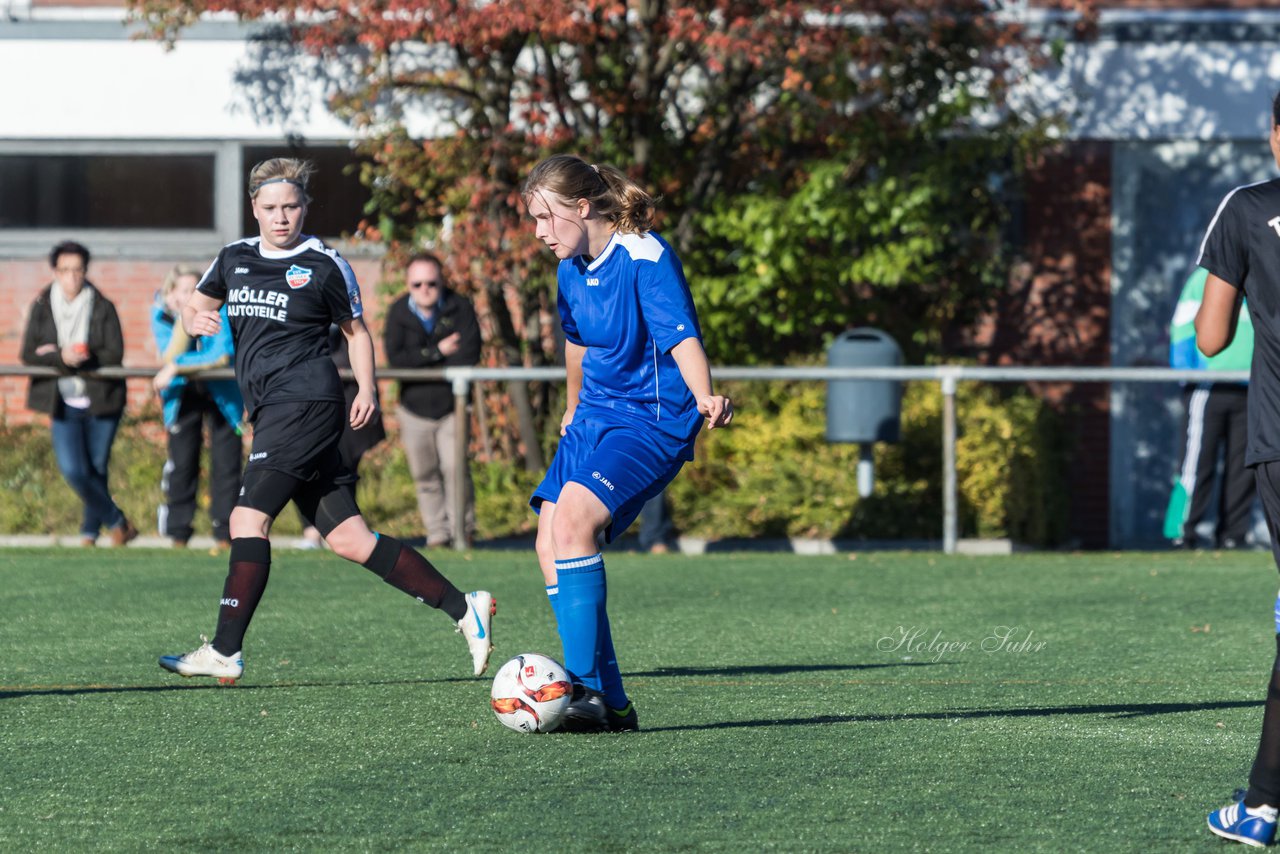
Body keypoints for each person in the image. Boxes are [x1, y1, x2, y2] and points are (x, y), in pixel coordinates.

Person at [158, 157, 494, 684]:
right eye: (270, 207)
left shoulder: (323, 263)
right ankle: (463, 606)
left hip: (307, 403)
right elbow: (194, 309)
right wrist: (196, 319)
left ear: (305, 207)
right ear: (254, 209)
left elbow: (356, 332)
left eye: (291, 206)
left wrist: (368, 388)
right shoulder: (233, 258)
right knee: (350, 539)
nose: (281, 216)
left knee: (247, 520)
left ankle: (225, 650)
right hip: (271, 411)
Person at [521, 154, 733, 732]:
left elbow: (682, 334)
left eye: (545, 217)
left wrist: (707, 395)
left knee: (573, 524)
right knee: (548, 542)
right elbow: (577, 344)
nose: (538, 233)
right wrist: (570, 407)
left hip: (651, 420)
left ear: (581, 208)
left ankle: (584, 691)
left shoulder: (646, 256)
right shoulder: (569, 266)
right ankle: (611, 703)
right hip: (594, 416)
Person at [1198, 90, 1280, 847]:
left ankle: (1261, 804)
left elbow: (1212, 337)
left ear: (1275, 134)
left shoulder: (1249, 208)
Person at [20, 240, 137, 548]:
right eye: (65, 270)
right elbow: (29, 353)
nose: (71, 276)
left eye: (77, 270)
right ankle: (118, 522)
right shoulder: (42, 305)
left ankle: (89, 533)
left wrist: (83, 356)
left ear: (85, 270)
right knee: (73, 469)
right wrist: (61, 356)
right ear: (55, 272)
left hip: (102, 399)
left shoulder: (102, 305)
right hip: (62, 401)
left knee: (96, 468)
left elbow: (115, 353)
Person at [383, 252, 482, 549]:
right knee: (424, 474)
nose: (424, 289)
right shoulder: (398, 312)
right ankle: (437, 533)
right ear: (408, 285)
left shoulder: (459, 307)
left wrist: (421, 362)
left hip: (452, 406)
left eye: (431, 283)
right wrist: (438, 351)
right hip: (413, 408)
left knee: (455, 469)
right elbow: (396, 360)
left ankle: (462, 531)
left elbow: (470, 353)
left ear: (441, 282)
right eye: (417, 284)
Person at [151, 264, 245, 551]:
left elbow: (221, 355)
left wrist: (178, 366)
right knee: (182, 461)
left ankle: (225, 533)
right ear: (170, 294)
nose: (192, 296)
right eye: (184, 290)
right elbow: (169, 354)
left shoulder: (219, 311)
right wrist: (183, 322)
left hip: (223, 392)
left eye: (197, 290)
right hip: (183, 394)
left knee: (227, 463)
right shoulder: (162, 316)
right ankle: (179, 533)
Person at [1163, 265, 1254, 550]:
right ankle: (1181, 532)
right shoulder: (1203, 278)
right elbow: (1181, 329)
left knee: (1246, 466)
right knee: (1195, 464)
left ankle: (1232, 536)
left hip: (1253, 387)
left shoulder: (1264, 273)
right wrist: (1187, 374)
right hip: (1208, 387)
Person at [299, 324, 387, 549]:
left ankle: (345, 530)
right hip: (306, 404)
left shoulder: (344, 316)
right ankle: (311, 530)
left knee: (343, 468)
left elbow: (358, 342)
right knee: (303, 467)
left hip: (344, 406)